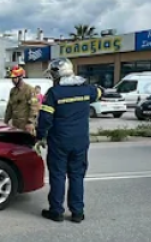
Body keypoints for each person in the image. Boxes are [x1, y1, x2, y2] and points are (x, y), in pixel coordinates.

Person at [35, 58, 103, 223]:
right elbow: (100, 92)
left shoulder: (54, 93)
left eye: (53, 74)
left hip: (59, 141)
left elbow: (45, 119)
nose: (52, 77)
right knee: (77, 176)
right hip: (80, 141)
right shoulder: (86, 89)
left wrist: (40, 136)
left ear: (58, 74)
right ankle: (77, 212)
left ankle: (56, 211)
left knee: (58, 175)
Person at [3, 65, 40, 135]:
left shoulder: (30, 90)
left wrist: (30, 123)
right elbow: (9, 108)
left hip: (26, 126)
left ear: (20, 77)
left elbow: (34, 108)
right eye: (12, 78)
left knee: (27, 145)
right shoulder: (12, 91)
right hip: (15, 126)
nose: (12, 80)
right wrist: (5, 122)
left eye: (14, 78)